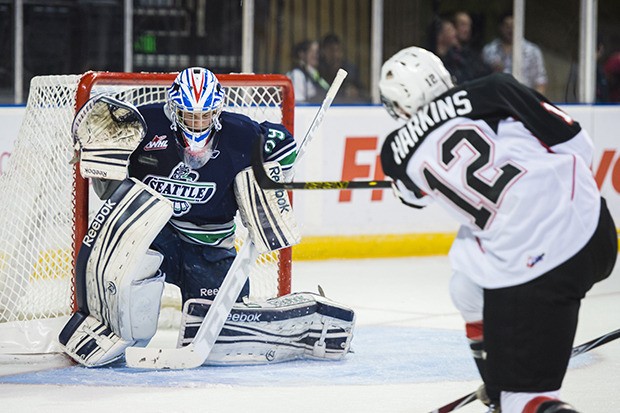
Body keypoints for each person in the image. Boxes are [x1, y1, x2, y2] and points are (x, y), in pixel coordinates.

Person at [58, 67, 355, 367]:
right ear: (173, 110)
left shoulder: (241, 134)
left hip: (210, 247)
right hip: (158, 236)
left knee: (223, 334)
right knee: (128, 266)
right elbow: (108, 186)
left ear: (216, 112)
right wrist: (100, 160)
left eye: (204, 116)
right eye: (188, 115)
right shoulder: (145, 126)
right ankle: (113, 331)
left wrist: (280, 158)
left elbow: (281, 145)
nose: (197, 124)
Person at [378, 47, 617, 413]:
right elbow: (578, 147)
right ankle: (497, 379)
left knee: (522, 399)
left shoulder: (395, 152)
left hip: (533, 270)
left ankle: (505, 391)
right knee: (465, 285)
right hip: (595, 230)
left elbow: (414, 198)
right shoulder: (495, 88)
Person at [482, 12, 548, 93]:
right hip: (497, 99)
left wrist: (533, 103)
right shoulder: (489, 50)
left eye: (513, 26)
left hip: (524, 99)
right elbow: (482, 79)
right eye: (507, 26)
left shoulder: (532, 51)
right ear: (501, 27)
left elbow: (540, 82)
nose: (510, 30)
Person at [318, 33, 366, 102]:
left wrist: (356, 92)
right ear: (323, 51)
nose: (335, 54)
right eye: (331, 50)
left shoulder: (350, 69)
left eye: (337, 50)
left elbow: (363, 93)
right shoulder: (319, 70)